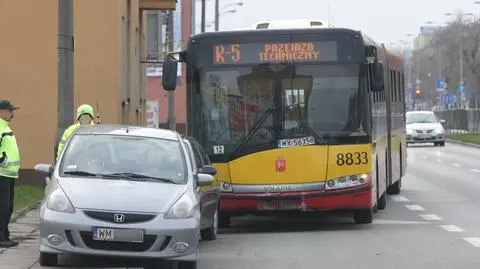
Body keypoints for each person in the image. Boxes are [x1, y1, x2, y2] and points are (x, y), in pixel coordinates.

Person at [0, 100, 20, 248]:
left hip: (9, 175)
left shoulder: (5, 127)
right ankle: (1, 237)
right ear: (1, 112)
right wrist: (3, 160)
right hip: (2, 174)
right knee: (3, 207)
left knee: (8, 207)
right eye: (10, 110)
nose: (12, 113)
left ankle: (5, 235)